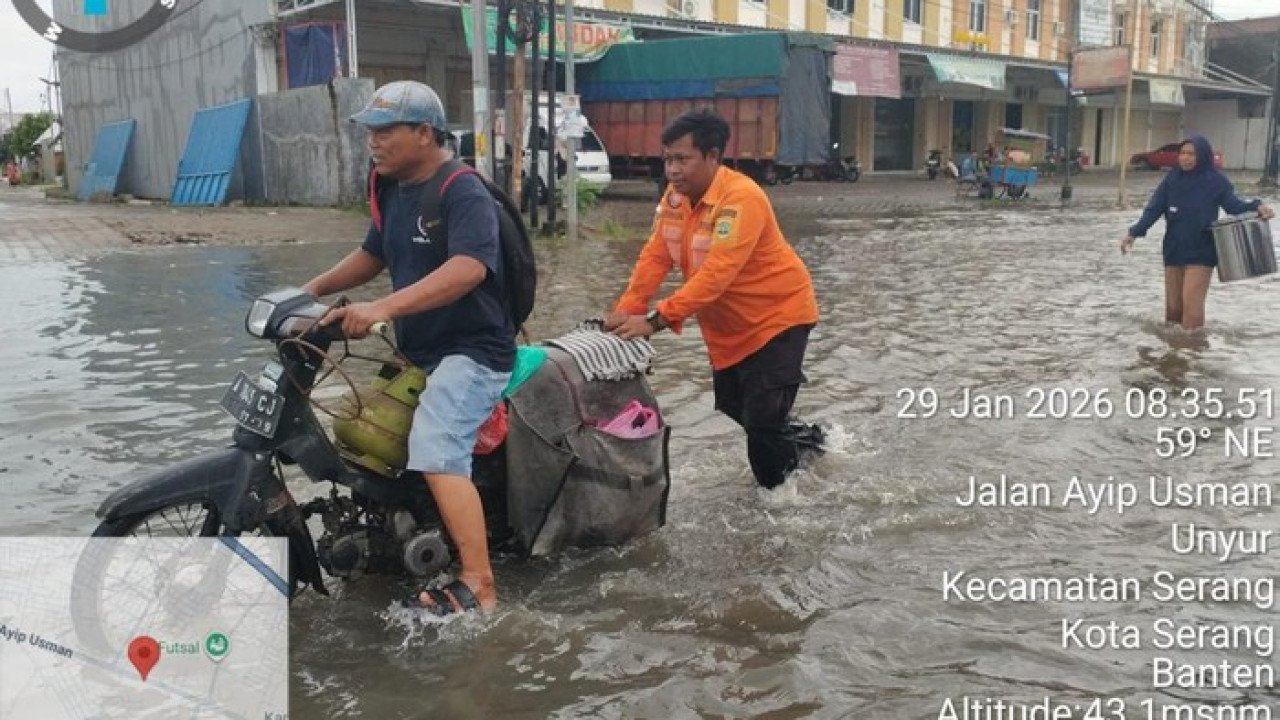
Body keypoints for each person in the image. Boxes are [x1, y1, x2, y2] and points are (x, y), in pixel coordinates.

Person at [302, 81, 515, 613]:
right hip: (418, 349)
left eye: (385, 131)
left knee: (436, 445)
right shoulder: (388, 186)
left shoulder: (462, 189)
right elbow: (372, 253)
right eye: (369, 132)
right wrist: (311, 290)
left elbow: (469, 268)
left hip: (472, 352)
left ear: (425, 133)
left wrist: (382, 308)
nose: (373, 142)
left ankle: (479, 582)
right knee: (364, 430)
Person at [605, 108, 822, 490]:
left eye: (682, 159)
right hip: (728, 328)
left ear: (713, 156)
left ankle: (778, 508)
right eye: (668, 159)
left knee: (761, 426)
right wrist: (627, 309)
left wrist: (654, 321)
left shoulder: (742, 199)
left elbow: (717, 274)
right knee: (735, 407)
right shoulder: (674, 199)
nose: (672, 170)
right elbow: (655, 257)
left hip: (778, 317)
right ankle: (810, 446)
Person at [1120, 135, 1275, 329]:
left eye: (1191, 154)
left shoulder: (1216, 181)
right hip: (1173, 250)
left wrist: (1257, 206)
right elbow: (1154, 209)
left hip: (1201, 251)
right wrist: (1133, 232)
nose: (1185, 158)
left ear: (1202, 156)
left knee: (1192, 312)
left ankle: (1194, 352)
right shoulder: (1172, 179)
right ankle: (1176, 355)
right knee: (1173, 312)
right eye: (1183, 153)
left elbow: (1234, 206)